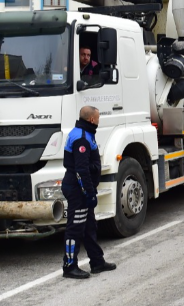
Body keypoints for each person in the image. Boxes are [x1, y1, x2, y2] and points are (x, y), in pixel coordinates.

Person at [62, 106, 116, 279]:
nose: (99, 120)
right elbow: (81, 170)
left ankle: (97, 262)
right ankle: (69, 266)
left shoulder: (84, 132)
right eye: (98, 117)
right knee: (75, 228)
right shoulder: (82, 138)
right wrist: (89, 193)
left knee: (89, 227)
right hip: (78, 189)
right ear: (92, 119)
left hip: (81, 188)